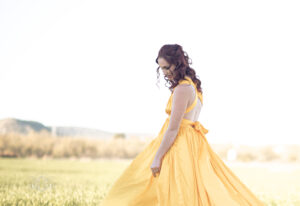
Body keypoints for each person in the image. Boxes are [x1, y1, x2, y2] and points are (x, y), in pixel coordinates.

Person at [100, 44, 265, 206]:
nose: (164, 73)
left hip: (179, 145)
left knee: (158, 187)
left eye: (167, 67)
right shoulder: (194, 87)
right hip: (192, 144)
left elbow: (173, 128)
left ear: (177, 63)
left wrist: (157, 157)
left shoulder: (182, 89)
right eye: (161, 68)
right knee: (189, 189)